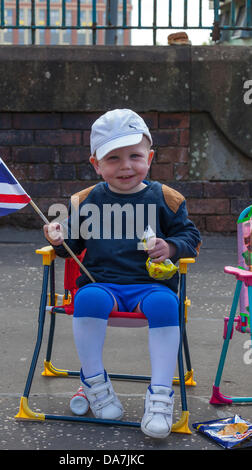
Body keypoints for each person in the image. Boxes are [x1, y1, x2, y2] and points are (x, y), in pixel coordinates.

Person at [43, 109, 201, 439]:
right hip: (103, 283)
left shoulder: (166, 198)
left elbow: (191, 237)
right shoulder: (87, 200)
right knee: (87, 298)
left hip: (149, 285)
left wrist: (170, 247)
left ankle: (160, 394)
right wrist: (58, 236)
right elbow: (70, 244)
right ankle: (95, 381)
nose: (125, 166)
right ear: (96, 164)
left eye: (134, 156)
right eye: (113, 158)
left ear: (150, 157)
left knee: (165, 305)